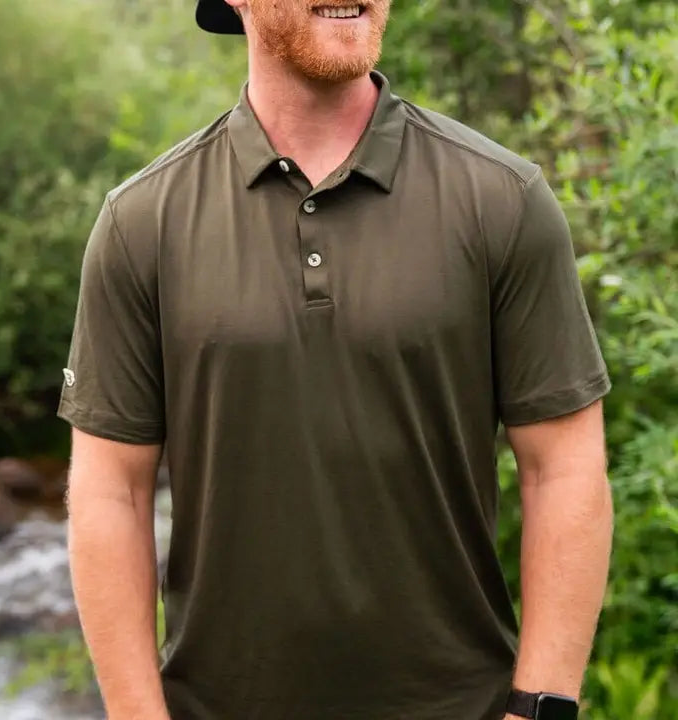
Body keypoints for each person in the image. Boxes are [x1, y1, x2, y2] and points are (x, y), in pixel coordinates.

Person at [58, 1, 614, 719]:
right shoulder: (141, 224)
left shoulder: (504, 200)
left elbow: (564, 469)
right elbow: (112, 492)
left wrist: (538, 708)